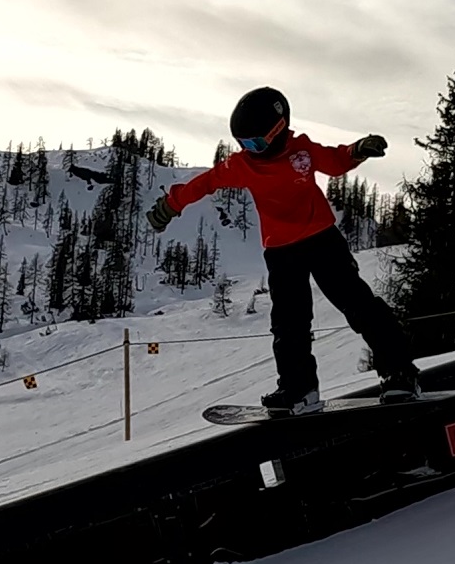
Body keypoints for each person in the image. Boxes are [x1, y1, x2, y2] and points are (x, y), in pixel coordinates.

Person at [147, 87, 421, 415]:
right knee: (289, 322)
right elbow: (204, 183)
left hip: (322, 240)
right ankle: (299, 389)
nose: (249, 151)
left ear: (278, 130)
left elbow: (334, 161)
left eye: (255, 143)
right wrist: (171, 204)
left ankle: (399, 372)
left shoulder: (300, 152)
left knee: (357, 303)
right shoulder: (242, 165)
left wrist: (357, 151)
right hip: (281, 251)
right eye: (243, 144)